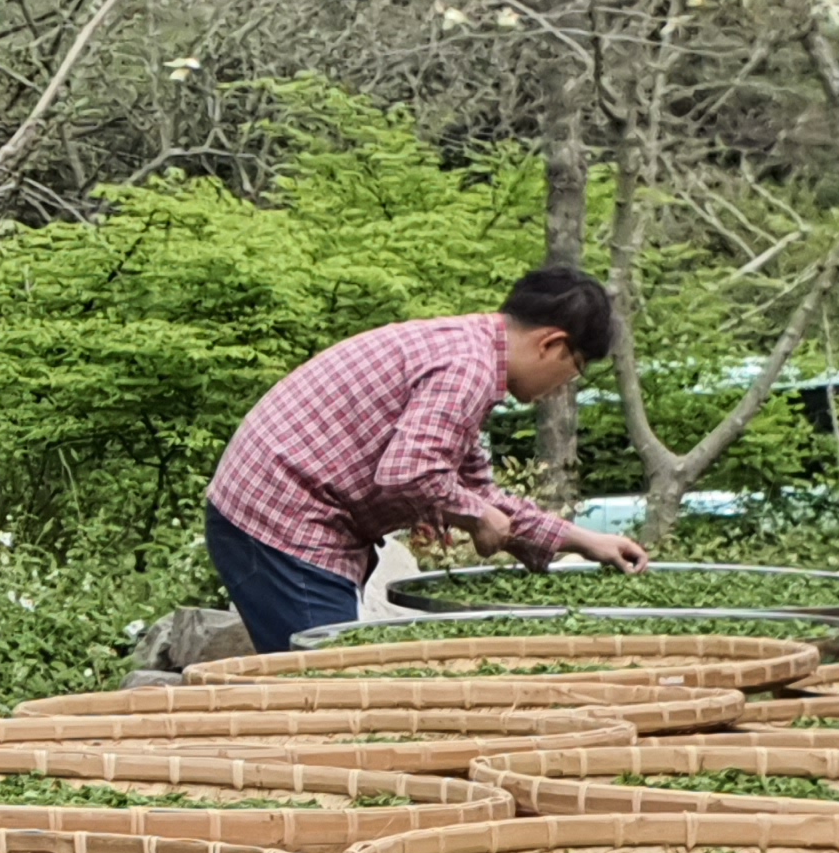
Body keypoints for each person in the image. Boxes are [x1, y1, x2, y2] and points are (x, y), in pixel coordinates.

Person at [203, 266, 653, 654]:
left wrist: (581, 540)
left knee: (328, 679)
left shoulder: (471, 350)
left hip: (281, 511)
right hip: (282, 518)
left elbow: (476, 491)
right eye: (574, 369)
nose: (562, 387)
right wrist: (477, 517)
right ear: (550, 344)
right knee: (327, 684)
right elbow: (411, 472)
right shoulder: (469, 367)